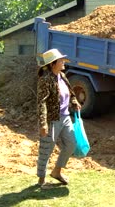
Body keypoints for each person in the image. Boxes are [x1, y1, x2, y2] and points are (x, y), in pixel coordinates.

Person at [36, 48, 81, 186]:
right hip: (52, 119)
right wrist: (43, 123)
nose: (63, 61)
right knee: (46, 149)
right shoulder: (45, 80)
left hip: (66, 117)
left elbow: (71, 93)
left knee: (71, 144)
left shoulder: (62, 75)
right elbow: (41, 102)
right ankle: (41, 180)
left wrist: (74, 101)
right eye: (61, 60)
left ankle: (57, 171)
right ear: (52, 64)